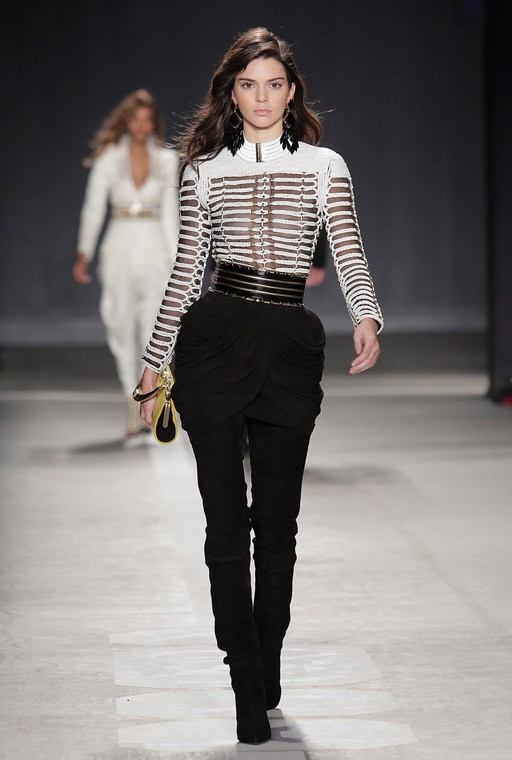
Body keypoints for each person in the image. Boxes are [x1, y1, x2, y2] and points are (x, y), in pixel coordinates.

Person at [138, 28, 383, 745]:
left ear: (292, 90)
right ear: (232, 93)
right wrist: (156, 362)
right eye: (249, 85)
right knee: (224, 523)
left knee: (277, 525)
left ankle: (267, 649)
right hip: (214, 342)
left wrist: (367, 315)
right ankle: (244, 676)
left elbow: (348, 248)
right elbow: (188, 269)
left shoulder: (325, 166)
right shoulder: (204, 170)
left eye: (274, 84)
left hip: (288, 345)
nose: (263, 97)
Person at [73, 89, 180, 436]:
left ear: (154, 123)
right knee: (119, 323)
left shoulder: (166, 160)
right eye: (135, 119)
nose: (141, 126)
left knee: (154, 325)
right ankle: (131, 401)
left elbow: (171, 214)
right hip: (118, 246)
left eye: (147, 120)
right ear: (126, 122)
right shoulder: (109, 159)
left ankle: (152, 400)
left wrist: (180, 261)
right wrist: (84, 252)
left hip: (154, 248)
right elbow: (93, 208)